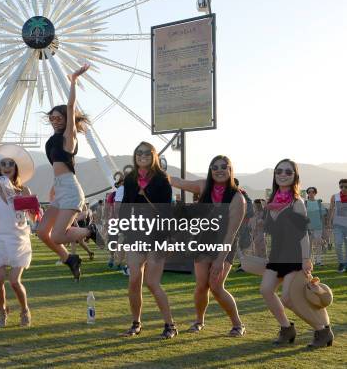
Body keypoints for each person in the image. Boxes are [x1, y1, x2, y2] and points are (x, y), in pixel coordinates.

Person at [170, 155, 247, 337]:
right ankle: (199, 321)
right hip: (204, 241)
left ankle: (238, 324)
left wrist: (220, 260)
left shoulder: (237, 198)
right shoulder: (204, 186)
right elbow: (178, 181)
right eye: (215, 167)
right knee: (201, 285)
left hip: (224, 244)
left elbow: (231, 233)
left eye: (223, 166)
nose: (219, 170)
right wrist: (154, 171)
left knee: (216, 286)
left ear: (230, 170)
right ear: (210, 170)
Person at [259, 159, 333, 347]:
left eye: (288, 172)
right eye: (279, 171)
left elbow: (303, 235)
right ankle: (286, 328)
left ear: (295, 176)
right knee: (266, 290)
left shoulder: (297, 202)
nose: (282, 174)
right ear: (274, 175)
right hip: (276, 257)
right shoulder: (272, 201)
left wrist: (306, 259)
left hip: (294, 257)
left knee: (289, 298)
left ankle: (322, 331)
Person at [36, 64, 99, 281]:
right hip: (61, 188)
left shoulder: (68, 138)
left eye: (59, 118)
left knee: (58, 235)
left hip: (71, 190)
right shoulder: (52, 141)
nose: (55, 121)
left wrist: (72, 81)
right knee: (42, 232)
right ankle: (70, 259)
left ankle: (92, 231)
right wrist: (53, 187)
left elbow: (71, 107)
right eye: (52, 118)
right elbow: (58, 168)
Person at [120, 141, 177, 339]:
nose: (142, 155)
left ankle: (170, 325)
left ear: (153, 155)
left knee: (153, 283)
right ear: (135, 156)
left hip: (158, 235)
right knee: (134, 281)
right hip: (136, 234)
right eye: (138, 152)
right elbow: (125, 208)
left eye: (146, 153)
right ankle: (136, 323)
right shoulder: (130, 179)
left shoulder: (162, 179)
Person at [0, 144, 36, 328]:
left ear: (16, 168)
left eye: (11, 163)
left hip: (19, 239)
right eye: (3, 164)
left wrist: (32, 207)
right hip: (1, 238)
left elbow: (33, 217)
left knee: (14, 281)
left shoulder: (24, 191)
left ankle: (25, 310)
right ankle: (2, 313)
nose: (7, 166)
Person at [327, 178, 347, 273]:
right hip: (337, 225)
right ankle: (341, 262)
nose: (343, 188)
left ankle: (345, 263)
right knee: (338, 244)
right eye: (341, 186)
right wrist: (329, 222)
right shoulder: (335, 197)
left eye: (345, 187)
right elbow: (331, 209)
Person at [305, 187, 327, 266]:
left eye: (313, 192)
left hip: (318, 227)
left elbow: (324, 217)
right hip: (308, 228)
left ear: (315, 193)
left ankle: (318, 261)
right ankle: (309, 262)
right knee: (308, 246)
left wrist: (325, 228)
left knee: (318, 245)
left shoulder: (319, 203)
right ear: (307, 193)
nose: (311, 193)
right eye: (309, 192)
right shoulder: (305, 203)